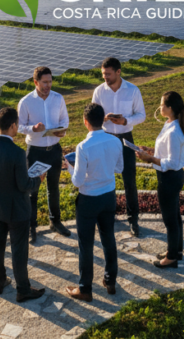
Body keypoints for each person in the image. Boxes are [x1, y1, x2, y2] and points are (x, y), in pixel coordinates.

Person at [0, 108, 46, 302]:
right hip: (17, 208)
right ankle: (23, 289)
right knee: (18, 249)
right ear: (13, 125)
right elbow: (24, 185)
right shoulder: (17, 152)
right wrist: (38, 179)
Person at [62, 102, 123, 302]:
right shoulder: (115, 141)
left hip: (88, 199)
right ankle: (110, 280)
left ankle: (85, 287)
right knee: (108, 239)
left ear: (85, 122)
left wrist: (69, 167)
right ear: (103, 118)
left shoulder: (83, 146)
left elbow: (78, 181)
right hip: (108, 195)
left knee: (85, 245)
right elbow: (119, 168)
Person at [90, 57, 146, 236]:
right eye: (103, 74)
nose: (105, 77)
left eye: (108, 74)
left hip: (125, 138)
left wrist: (126, 120)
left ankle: (133, 219)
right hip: (106, 137)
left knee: (129, 179)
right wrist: (103, 118)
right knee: (105, 178)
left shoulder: (132, 90)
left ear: (118, 72)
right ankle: (108, 215)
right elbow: (92, 115)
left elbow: (142, 115)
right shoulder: (99, 91)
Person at [17, 66, 71, 243]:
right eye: (44, 82)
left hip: (54, 149)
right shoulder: (26, 102)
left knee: (53, 188)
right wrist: (32, 128)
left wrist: (62, 130)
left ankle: (55, 221)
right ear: (36, 82)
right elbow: (18, 127)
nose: (48, 85)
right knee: (32, 191)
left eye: (50, 82)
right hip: (35, 151)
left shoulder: (58, 98)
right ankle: (31, 227)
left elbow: (65, 120)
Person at [135, 91, 184, 269]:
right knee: (175, 215)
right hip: (170, 176)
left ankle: (172, 257)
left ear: (170, 108)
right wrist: (149, 153)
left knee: (170, 219)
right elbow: (165, 152)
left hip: (170, 177)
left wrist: (149, 159)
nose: (160, 107)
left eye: (162, 105)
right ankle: (176, 250)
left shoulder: (174, 131)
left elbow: (172, 162)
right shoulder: (170, 124)